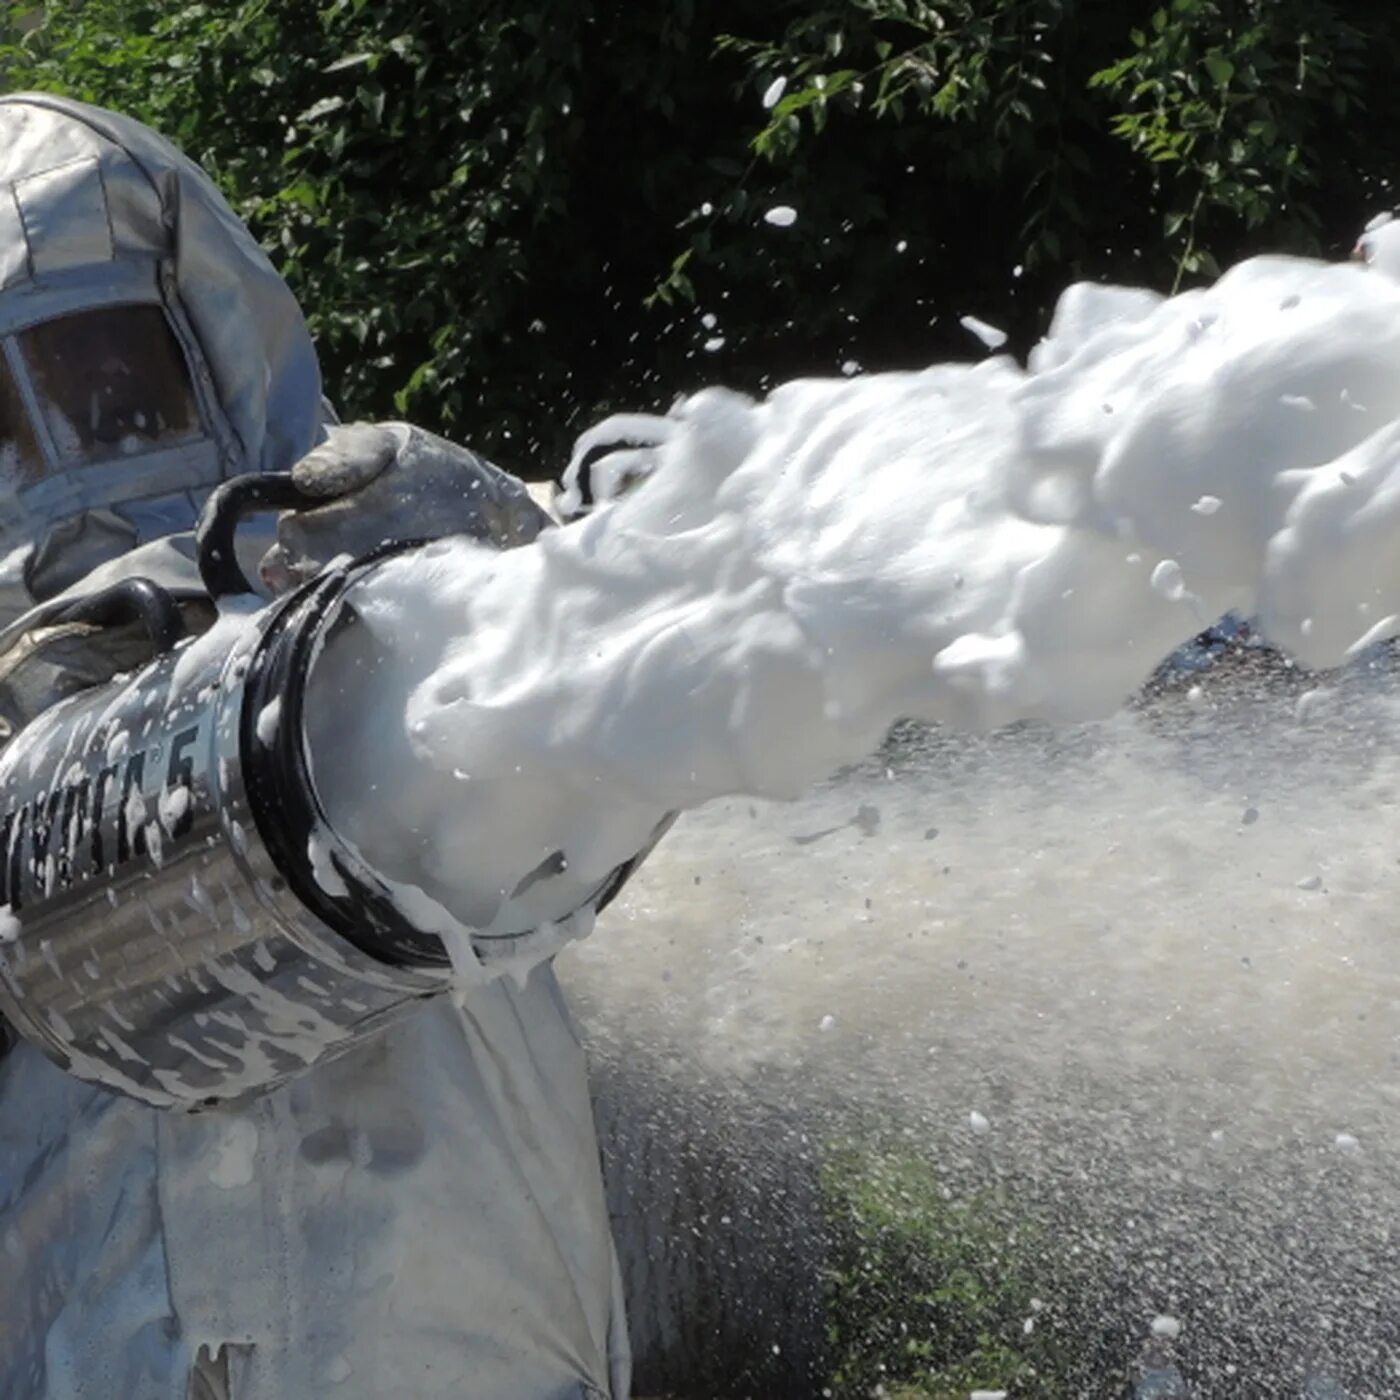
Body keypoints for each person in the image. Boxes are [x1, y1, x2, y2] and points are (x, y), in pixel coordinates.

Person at [0, 93, 639, 1400]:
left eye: (118, 377)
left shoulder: (396, 561)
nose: (71, 432)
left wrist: (499, 551)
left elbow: (634, 749)